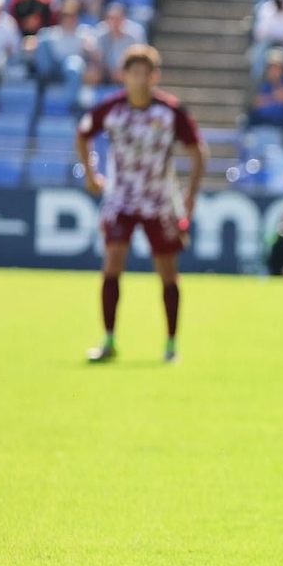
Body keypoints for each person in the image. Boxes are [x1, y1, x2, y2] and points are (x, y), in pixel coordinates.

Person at [75, 45, 206, 364]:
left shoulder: (170, 111)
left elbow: (198, 152)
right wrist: (91, 175)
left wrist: (190, 195)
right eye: (132, 73)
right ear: (124, 76)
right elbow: (82, 135)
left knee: (167, 271)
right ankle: (108, 340)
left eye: (144, 73)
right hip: (121, 199)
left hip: (159, 202)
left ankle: (171, 345)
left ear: (154, 76)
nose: (138, 79)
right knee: (113, 261)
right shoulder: (111, 109)